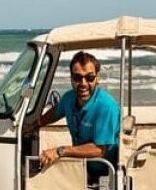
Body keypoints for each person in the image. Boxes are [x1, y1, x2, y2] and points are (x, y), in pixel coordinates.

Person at [38, 51, 120, 180]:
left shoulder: (106, 106)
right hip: (81, 167)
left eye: (89, 77)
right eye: (77, 78)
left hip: (106, 172)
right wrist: (33, 125)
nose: (83, 83)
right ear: (71, 78)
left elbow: (99, 150)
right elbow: (55, 112)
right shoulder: (69, 98)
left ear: (98, 78)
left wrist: (60, 151)